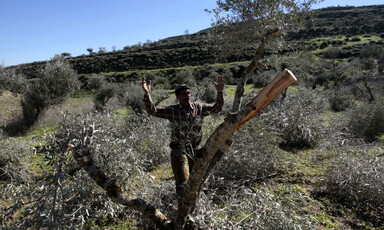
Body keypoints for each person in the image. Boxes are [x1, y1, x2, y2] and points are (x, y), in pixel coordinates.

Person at [142, 75, 225, 206]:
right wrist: (147, 94)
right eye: (183, 94)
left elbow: (217, 109)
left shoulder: (198, 108)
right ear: (178, 97)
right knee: (182, 182)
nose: (187, 96)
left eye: (188, 93)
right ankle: (182, 210)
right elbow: (153, 111)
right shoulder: (172, 110)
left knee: (196, 180)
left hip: (195, 150)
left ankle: (195, 206)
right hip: (178, 150)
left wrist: (219, 92)